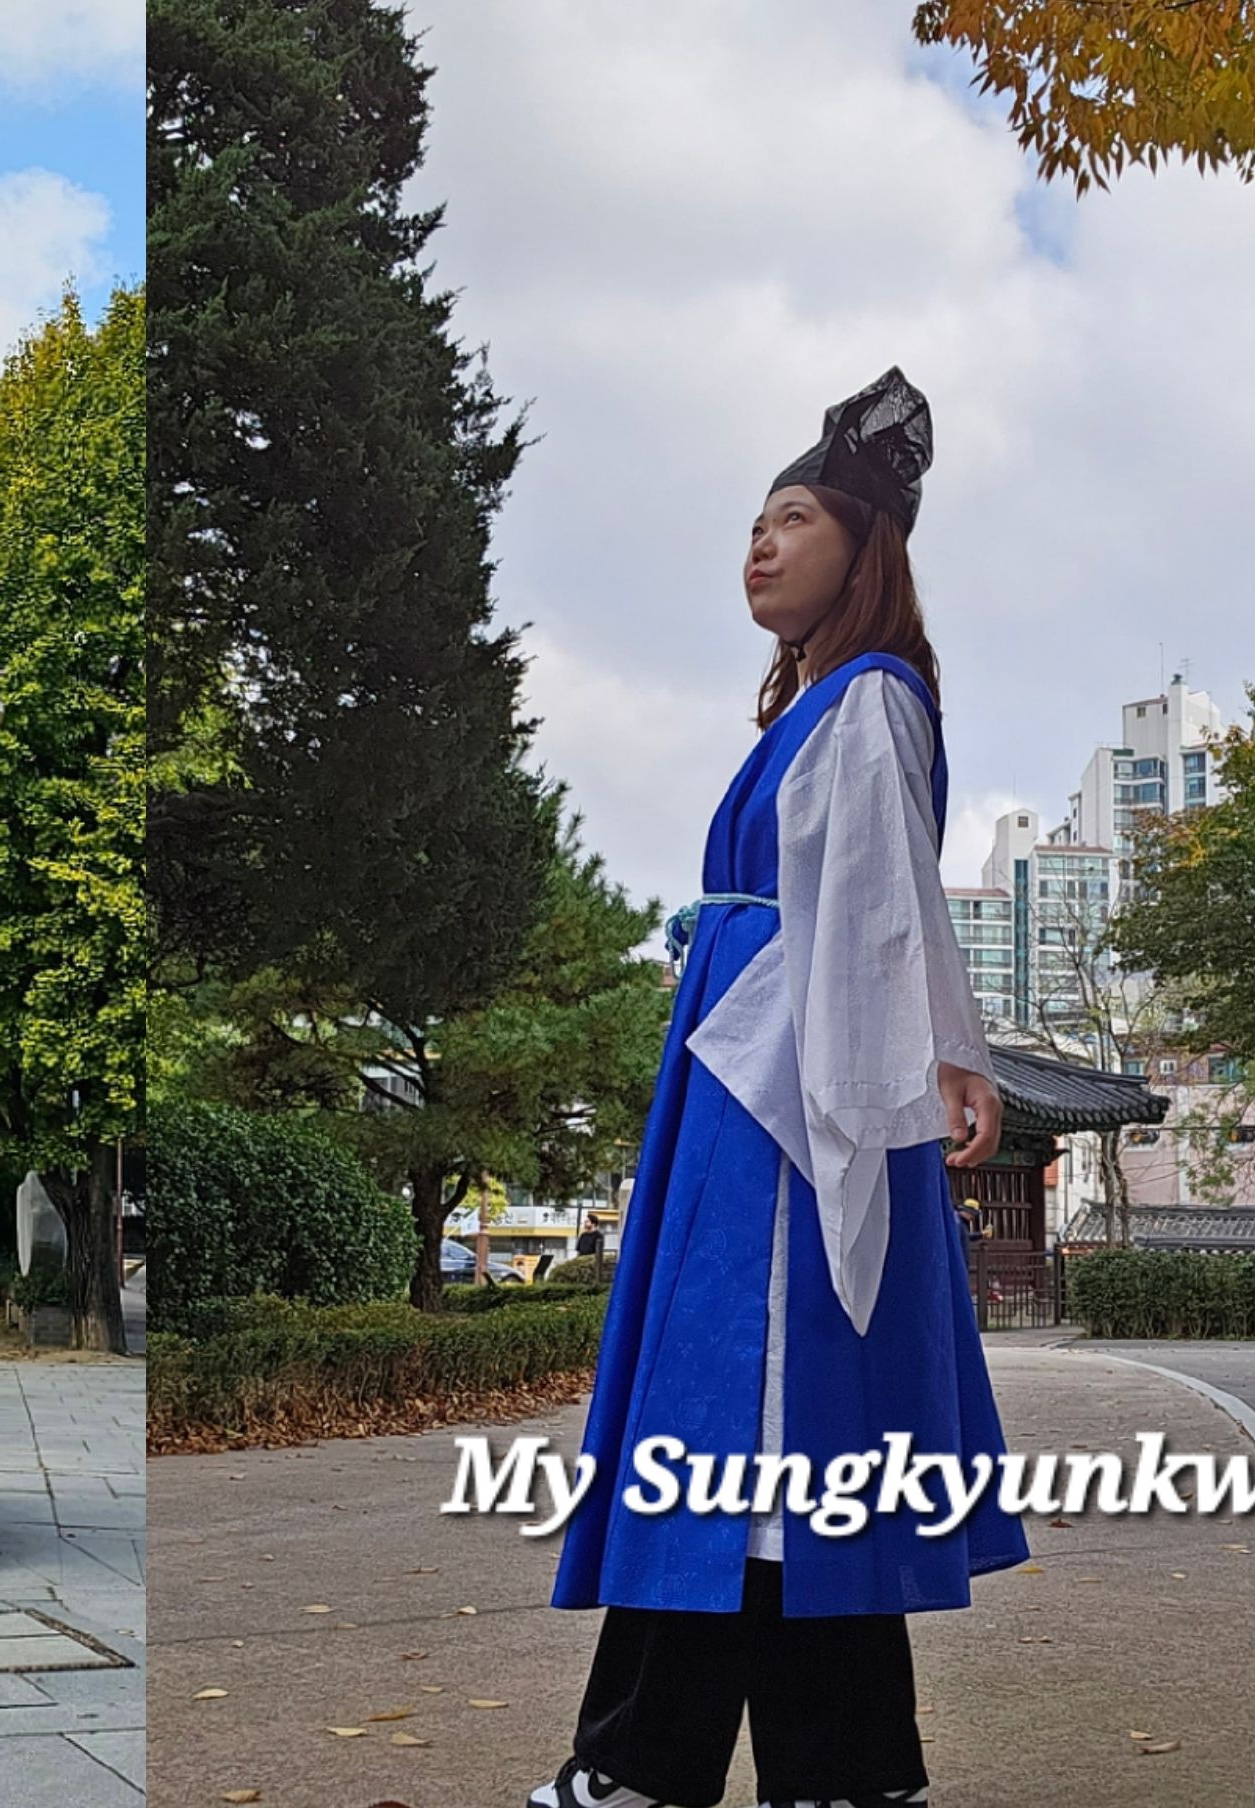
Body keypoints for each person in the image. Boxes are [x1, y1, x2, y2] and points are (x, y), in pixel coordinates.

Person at [543, 371, 1018, 1808]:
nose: (758, 545)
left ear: (863, 548)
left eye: (792, 519)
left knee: (752, 1428)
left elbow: (884, 915)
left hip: (785, 1106)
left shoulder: (867, 701)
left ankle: (661, 1763)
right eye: (752, 524)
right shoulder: (825, 708)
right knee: (775, 1444)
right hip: (761, 1079)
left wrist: (926, 1068)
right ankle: (830, 1769)